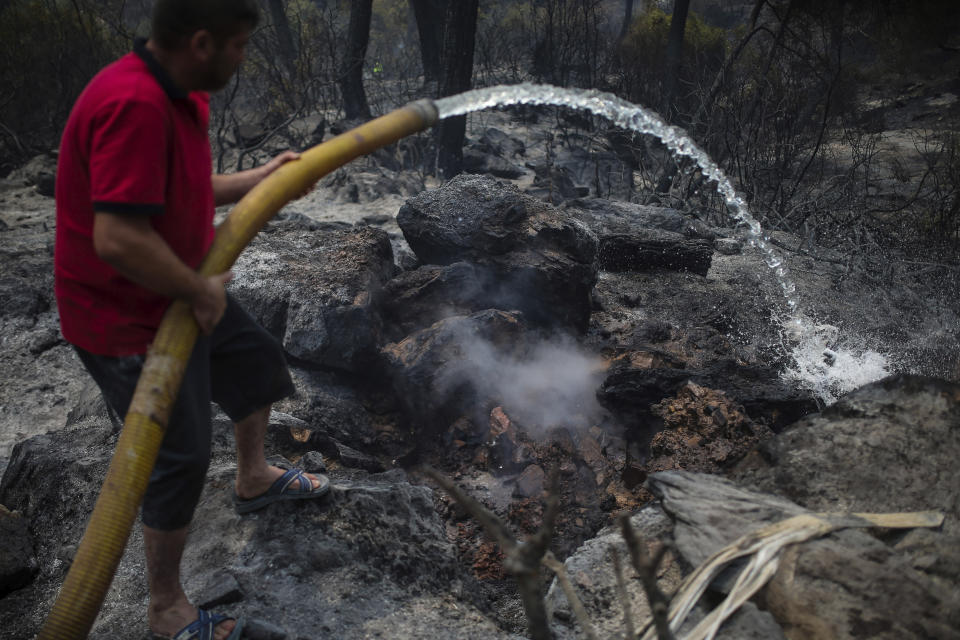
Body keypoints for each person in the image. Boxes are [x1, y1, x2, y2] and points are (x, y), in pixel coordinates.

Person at [53, 1, 328, 638]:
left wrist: (265, 177)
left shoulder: (178, 91)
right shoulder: (134, 104)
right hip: (123, 314)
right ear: (202, 43)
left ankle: (255, 478)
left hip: (178, 285)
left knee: (256, 363)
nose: (243, 57)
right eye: (237, 45)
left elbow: (182, 183)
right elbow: (118, 237)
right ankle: (165, 609)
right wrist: (198, 291)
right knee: (178, 452)